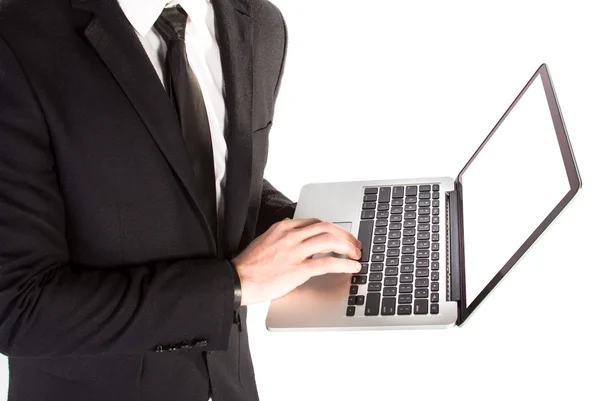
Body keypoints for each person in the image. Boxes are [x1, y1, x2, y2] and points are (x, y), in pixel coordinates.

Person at [0, 0, 363, 400]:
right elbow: (20, 308)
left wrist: (317, 229)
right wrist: (235, 285)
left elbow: (208, 182)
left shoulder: (260, 23)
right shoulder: (16, 37)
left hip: (231, 387)